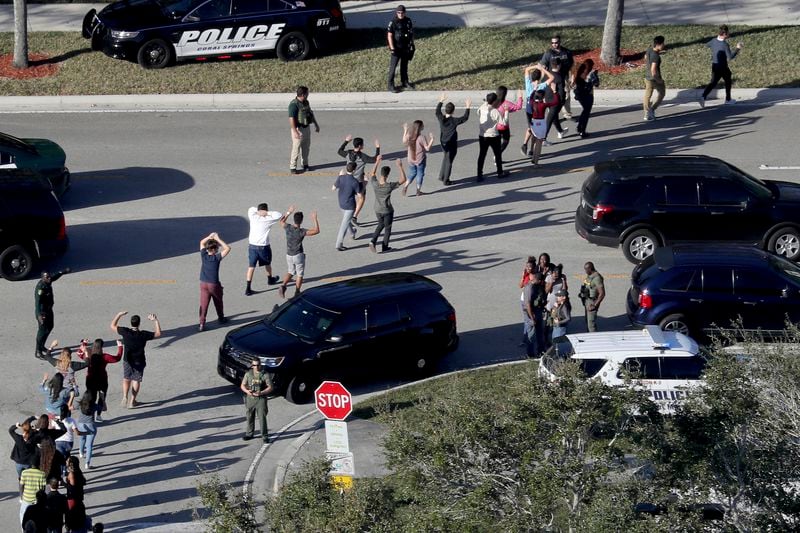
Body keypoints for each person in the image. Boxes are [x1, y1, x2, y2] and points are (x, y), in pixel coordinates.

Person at [110, 311, 161, 408]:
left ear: (131, 323)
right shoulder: (143, 334)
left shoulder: (125, 332)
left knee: (126, 378)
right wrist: (155, 320)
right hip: (139, 361)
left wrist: (119, 314)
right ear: (139, 323)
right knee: (136, 380)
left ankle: (125, 396)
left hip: (127, 360)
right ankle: (132, 401)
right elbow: (158, 333)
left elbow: (112, 325)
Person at [278, 205, 320, 299]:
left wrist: (289, 212)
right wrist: (315, 219)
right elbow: (317, 231)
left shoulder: (288, 227)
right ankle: (297, 291)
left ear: (294, 220)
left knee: (290, 271)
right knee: (299, 274)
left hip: (289, 254)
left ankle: (283, 285)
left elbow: (281, 221)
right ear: (301, 221)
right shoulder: (301, 231)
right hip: (298, 255)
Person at [77, 338, 123, 423]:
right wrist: (120, 346)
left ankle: (91, 416)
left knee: (91, 398)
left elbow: (79, 353)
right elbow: (117, 358)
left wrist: (84, 344)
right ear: (101, 347)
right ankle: (99, 415)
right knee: (102, 397)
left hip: (90, 380)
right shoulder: (105, 357)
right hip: (102, 380)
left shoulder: (89, 355)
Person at [337, 135, 380, 225]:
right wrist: (377, 147)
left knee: (350, 196)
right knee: (362, 198)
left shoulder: (348, 154)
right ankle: (354, 216)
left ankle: (348, 213)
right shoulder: (363, 157)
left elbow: (339, 151)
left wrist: (346, 141)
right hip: (358, 182)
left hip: (348, 179)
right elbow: (374, 159)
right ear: (360, 146)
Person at [369, 158, 407, 254]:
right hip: (387, 210)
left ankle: (372, 241)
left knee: (380, 224)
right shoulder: (389, 186)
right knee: (387, 228)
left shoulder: (375, 184)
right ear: (388, 175)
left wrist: (377, 162)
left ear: (381, 174)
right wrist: (400, 166)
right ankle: (384, 246)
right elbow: (403, 180)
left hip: (377, 209)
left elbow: (372, 173)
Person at [700, 25, 743, 106]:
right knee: (728, 80)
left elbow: (707, 45)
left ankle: (703, 96)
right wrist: (738, 48)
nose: (729, 34)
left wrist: (714, 51)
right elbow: (730, 57)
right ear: (725, 34)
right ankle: (728, 99)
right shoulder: (724, 44)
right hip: (723, 67)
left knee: (713, 82)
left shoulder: (713, 40)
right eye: (728, 33)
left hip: (715, 65)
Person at [244, 203, 282, 296]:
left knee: (251, 267)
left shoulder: (253, 217)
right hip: (263, 247)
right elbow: (279, 215)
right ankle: (270, 279)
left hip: (252, 246)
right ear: (266, 210)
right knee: (267, 263)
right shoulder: (268, 219)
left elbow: (250, 208)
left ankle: (248, 288)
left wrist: (258, 212)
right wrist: (267, 213)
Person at [198, 232, 231, 332]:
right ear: (215, 249)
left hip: (203, 283)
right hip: (214, 284)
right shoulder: (216, 258)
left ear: (207, 249)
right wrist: (218, 238)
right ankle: (221, 318)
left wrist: (209, 236)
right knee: (218, 302)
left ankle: (201, 324)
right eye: (217, 248)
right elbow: (228, 248)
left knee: (204, 304)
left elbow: (201, 242)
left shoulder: (203, 255)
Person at [34, 269, 70, 359]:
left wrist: (62, 272)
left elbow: (54, 277)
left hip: (49, 310)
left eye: (49, 276)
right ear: (42, 278)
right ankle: (38, 351)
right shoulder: (40, 288)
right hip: (42, 313)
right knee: (42, 332)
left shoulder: (47, 282)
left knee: (50, 327)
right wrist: (39, 316)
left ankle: (42, 346)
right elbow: (38, 303)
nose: (49, 278)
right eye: (47, 277)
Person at [435, 95, 471, 186]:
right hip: (452, 143)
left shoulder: (441, 118)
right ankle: (446, 180)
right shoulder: (454, 121)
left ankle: (441, 175)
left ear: (445, 110)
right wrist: (467, 107)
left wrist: (441, 101)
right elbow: (465, 118)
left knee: (445, 157)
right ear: (453, 111)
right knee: (449, 161)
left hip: (443, 142)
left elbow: (437, 111)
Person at [521, 64, 555, 156]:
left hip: (529, 108)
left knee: (530, 128)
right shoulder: (541, 86)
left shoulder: (528, 83)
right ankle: (531, 148)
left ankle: (525, 145)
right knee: (535, 130)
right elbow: (552, 77)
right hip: (537, 109)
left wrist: (536, 66)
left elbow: (527, 69)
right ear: (540, 78)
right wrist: (544, 70)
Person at [540, 34, 574, 120]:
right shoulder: (548, 53)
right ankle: (552, 115)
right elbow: (543, 66)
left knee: (566, 95)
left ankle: (567, 114)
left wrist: (572, 76)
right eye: (552, 43)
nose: (554, 44)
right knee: (552, 97)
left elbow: (572, 65)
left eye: (556, 42)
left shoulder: (567, 52)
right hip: (552, 78)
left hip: (564, 77)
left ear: (560, 42)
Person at [332, 162, 364, 251]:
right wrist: (364, 184)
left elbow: (333, 188)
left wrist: (339, 176)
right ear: (354, 170)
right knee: (344, 225)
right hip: (350, 206)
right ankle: (338, 244)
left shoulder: (341, 177)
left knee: (347, 220)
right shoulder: (355, 182)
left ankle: (352, 232)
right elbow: (360, 196)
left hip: (341, 203)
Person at [476, 93, 508, 182]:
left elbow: (478, 112)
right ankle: (500, 172)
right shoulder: (495, 111)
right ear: (494, 101)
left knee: (482, 155)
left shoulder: (482, 108)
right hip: (494, 135)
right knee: (497, 154)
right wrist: (506, 112)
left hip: (483, 135)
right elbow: (503, 123)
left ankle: (479, 174)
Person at [240, 358, 273, 442]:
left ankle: (265, 436)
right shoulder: (248, 374)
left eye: (258, 365)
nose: (256, 367)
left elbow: (270, 387)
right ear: (252, 365)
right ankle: (249, 434)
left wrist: (261, 392)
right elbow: (243, 385)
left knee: (262, 418)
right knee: (249, 417)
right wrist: (248, 391)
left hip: (260, 399)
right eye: (254, 365)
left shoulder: (265, 374)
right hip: (250, 399)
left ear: (260, 365)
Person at [288, 85, 319, 174]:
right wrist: (295, 131)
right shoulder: (293, 105)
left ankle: (305, 164)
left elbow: (310, 113)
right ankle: (293, 166)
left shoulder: (306, 102)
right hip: (298, 129)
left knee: (306, 148)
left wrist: (316, 124)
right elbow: (291, 119)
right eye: (307, 93)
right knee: (296, 148)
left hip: (306, 128)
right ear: (303, 95)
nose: (308, 94)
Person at [386, 4, 415, 93]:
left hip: (405, 47)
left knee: (404, 66)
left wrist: (411, 44)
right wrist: (392, 48)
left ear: (405, 13)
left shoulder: (408, 21)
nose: (400, 14)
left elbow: (411, 32)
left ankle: (405, 82)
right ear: (396, 12)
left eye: (402, 12)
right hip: (396, 48)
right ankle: (390, 85)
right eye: (398, 12)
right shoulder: (393, 22)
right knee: (393, 67)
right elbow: (389, 35)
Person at [529, 88, 560, 167]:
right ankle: (535, 162)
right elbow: (556, 102)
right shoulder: (543, 105)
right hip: (541, 124)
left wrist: (534, 90)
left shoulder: (532, 102)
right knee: (539, 144)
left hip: (534, 123)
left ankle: (532, 155)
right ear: (543, 97)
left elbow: (530, 97)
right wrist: (555, 92)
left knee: (534, 138)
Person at [402, 120, 434, 196]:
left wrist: (405, 130)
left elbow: (404, 141)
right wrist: (432, 139)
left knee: (412, 173)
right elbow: (427, 149)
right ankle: (418, 191)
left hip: (410, 159)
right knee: (420, 174)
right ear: (421, 128)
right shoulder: (421, 137)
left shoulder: (410, 135)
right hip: (420, 160)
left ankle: (406, 185)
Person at [572, 59, 600, 137]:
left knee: (584, 111)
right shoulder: (590, 74)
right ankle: (582, 130)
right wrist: (595, 75)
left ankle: (579, 127)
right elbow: (596, 84)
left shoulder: (578, 72)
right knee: (586, 113)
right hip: (588, 95)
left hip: (580, 95)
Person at [544, 58, 569, 141]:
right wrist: (562, 101)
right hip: (556, 101)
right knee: (550, 119)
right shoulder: (559, 77)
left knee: (554, 116)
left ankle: (560, 131)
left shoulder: (548, 75)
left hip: (547, 99)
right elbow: (561, 92)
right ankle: (543, 138)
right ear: (559, 65)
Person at [522, 272, 546, 358]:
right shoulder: (529, 287)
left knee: (539, 333)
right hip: (532, 313)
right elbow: (527, 304)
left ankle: (540, 352)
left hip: (537, 311)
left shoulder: (537, 286)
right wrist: (532, 317)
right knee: (531, 335)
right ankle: (530, 354)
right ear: (538, 280)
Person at [643, 36, 666, 121]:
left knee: (647, 95)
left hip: (647, 78)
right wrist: (659, 80)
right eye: (663, 43)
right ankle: (651, 110)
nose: (664, 45)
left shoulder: (649, 50)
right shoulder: (656, 56)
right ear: (658, 45)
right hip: (654, 78)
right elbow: (653, 70)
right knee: (662, 94)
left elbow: (645, 57)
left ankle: (647, 113)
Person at [495, 86, 524, 155]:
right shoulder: (506, 103)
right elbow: (518, 107)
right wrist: (520, 97)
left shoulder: (493, 102)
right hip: (504, 126)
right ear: (505, 94)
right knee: (505, 141)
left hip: (494, 126)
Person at [19, 457, 47, 526]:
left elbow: (21, 486)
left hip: (26, 499)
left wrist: (21, 496)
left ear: (30, 464)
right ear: (39, 464)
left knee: (23, 515)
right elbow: (43, 489)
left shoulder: (24, 473)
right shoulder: (42, 474)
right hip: (36, 500)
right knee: (37, 518)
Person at [73, 392, 97, 470]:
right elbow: (104, 408)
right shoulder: (93, 405)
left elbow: (71, 407)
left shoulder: (80, 404)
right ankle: (87, 463)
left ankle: (81, 452)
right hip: (90, 425)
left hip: (80, 425)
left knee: (82, 438)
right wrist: (102, 399)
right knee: (89, 445)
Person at [580, 262, 605, 332]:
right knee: (587, 321)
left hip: (592, 302)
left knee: (591, 324)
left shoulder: (597, 278)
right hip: (587, 300)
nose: (585, 271)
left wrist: (594, 305)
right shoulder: (590, 276)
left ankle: (593, 338)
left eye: (586, 269)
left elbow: (602, 294)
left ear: (590, 268)